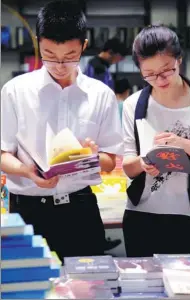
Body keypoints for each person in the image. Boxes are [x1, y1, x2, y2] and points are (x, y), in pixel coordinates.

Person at [1, 0, 123, 262]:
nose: (59, 65)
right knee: (28, 286)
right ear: (38, 42)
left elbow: (111, 160)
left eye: (69, 57)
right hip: (27, 210)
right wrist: (27, 171)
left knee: (88, 288)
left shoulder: (100, 95)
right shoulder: (15, 91)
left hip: (80, 210)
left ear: (84, 46)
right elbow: (3, 154)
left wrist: (89, 159)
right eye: (49, 55)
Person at [122, 24, 190, 259]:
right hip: (141, 216)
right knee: (145, 292)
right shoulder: (134, 104)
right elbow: (127, 166)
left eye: (166, 70)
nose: (158, 80)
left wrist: (183, 144)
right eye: (148, 74)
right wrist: (142, 163)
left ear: (179, 60)